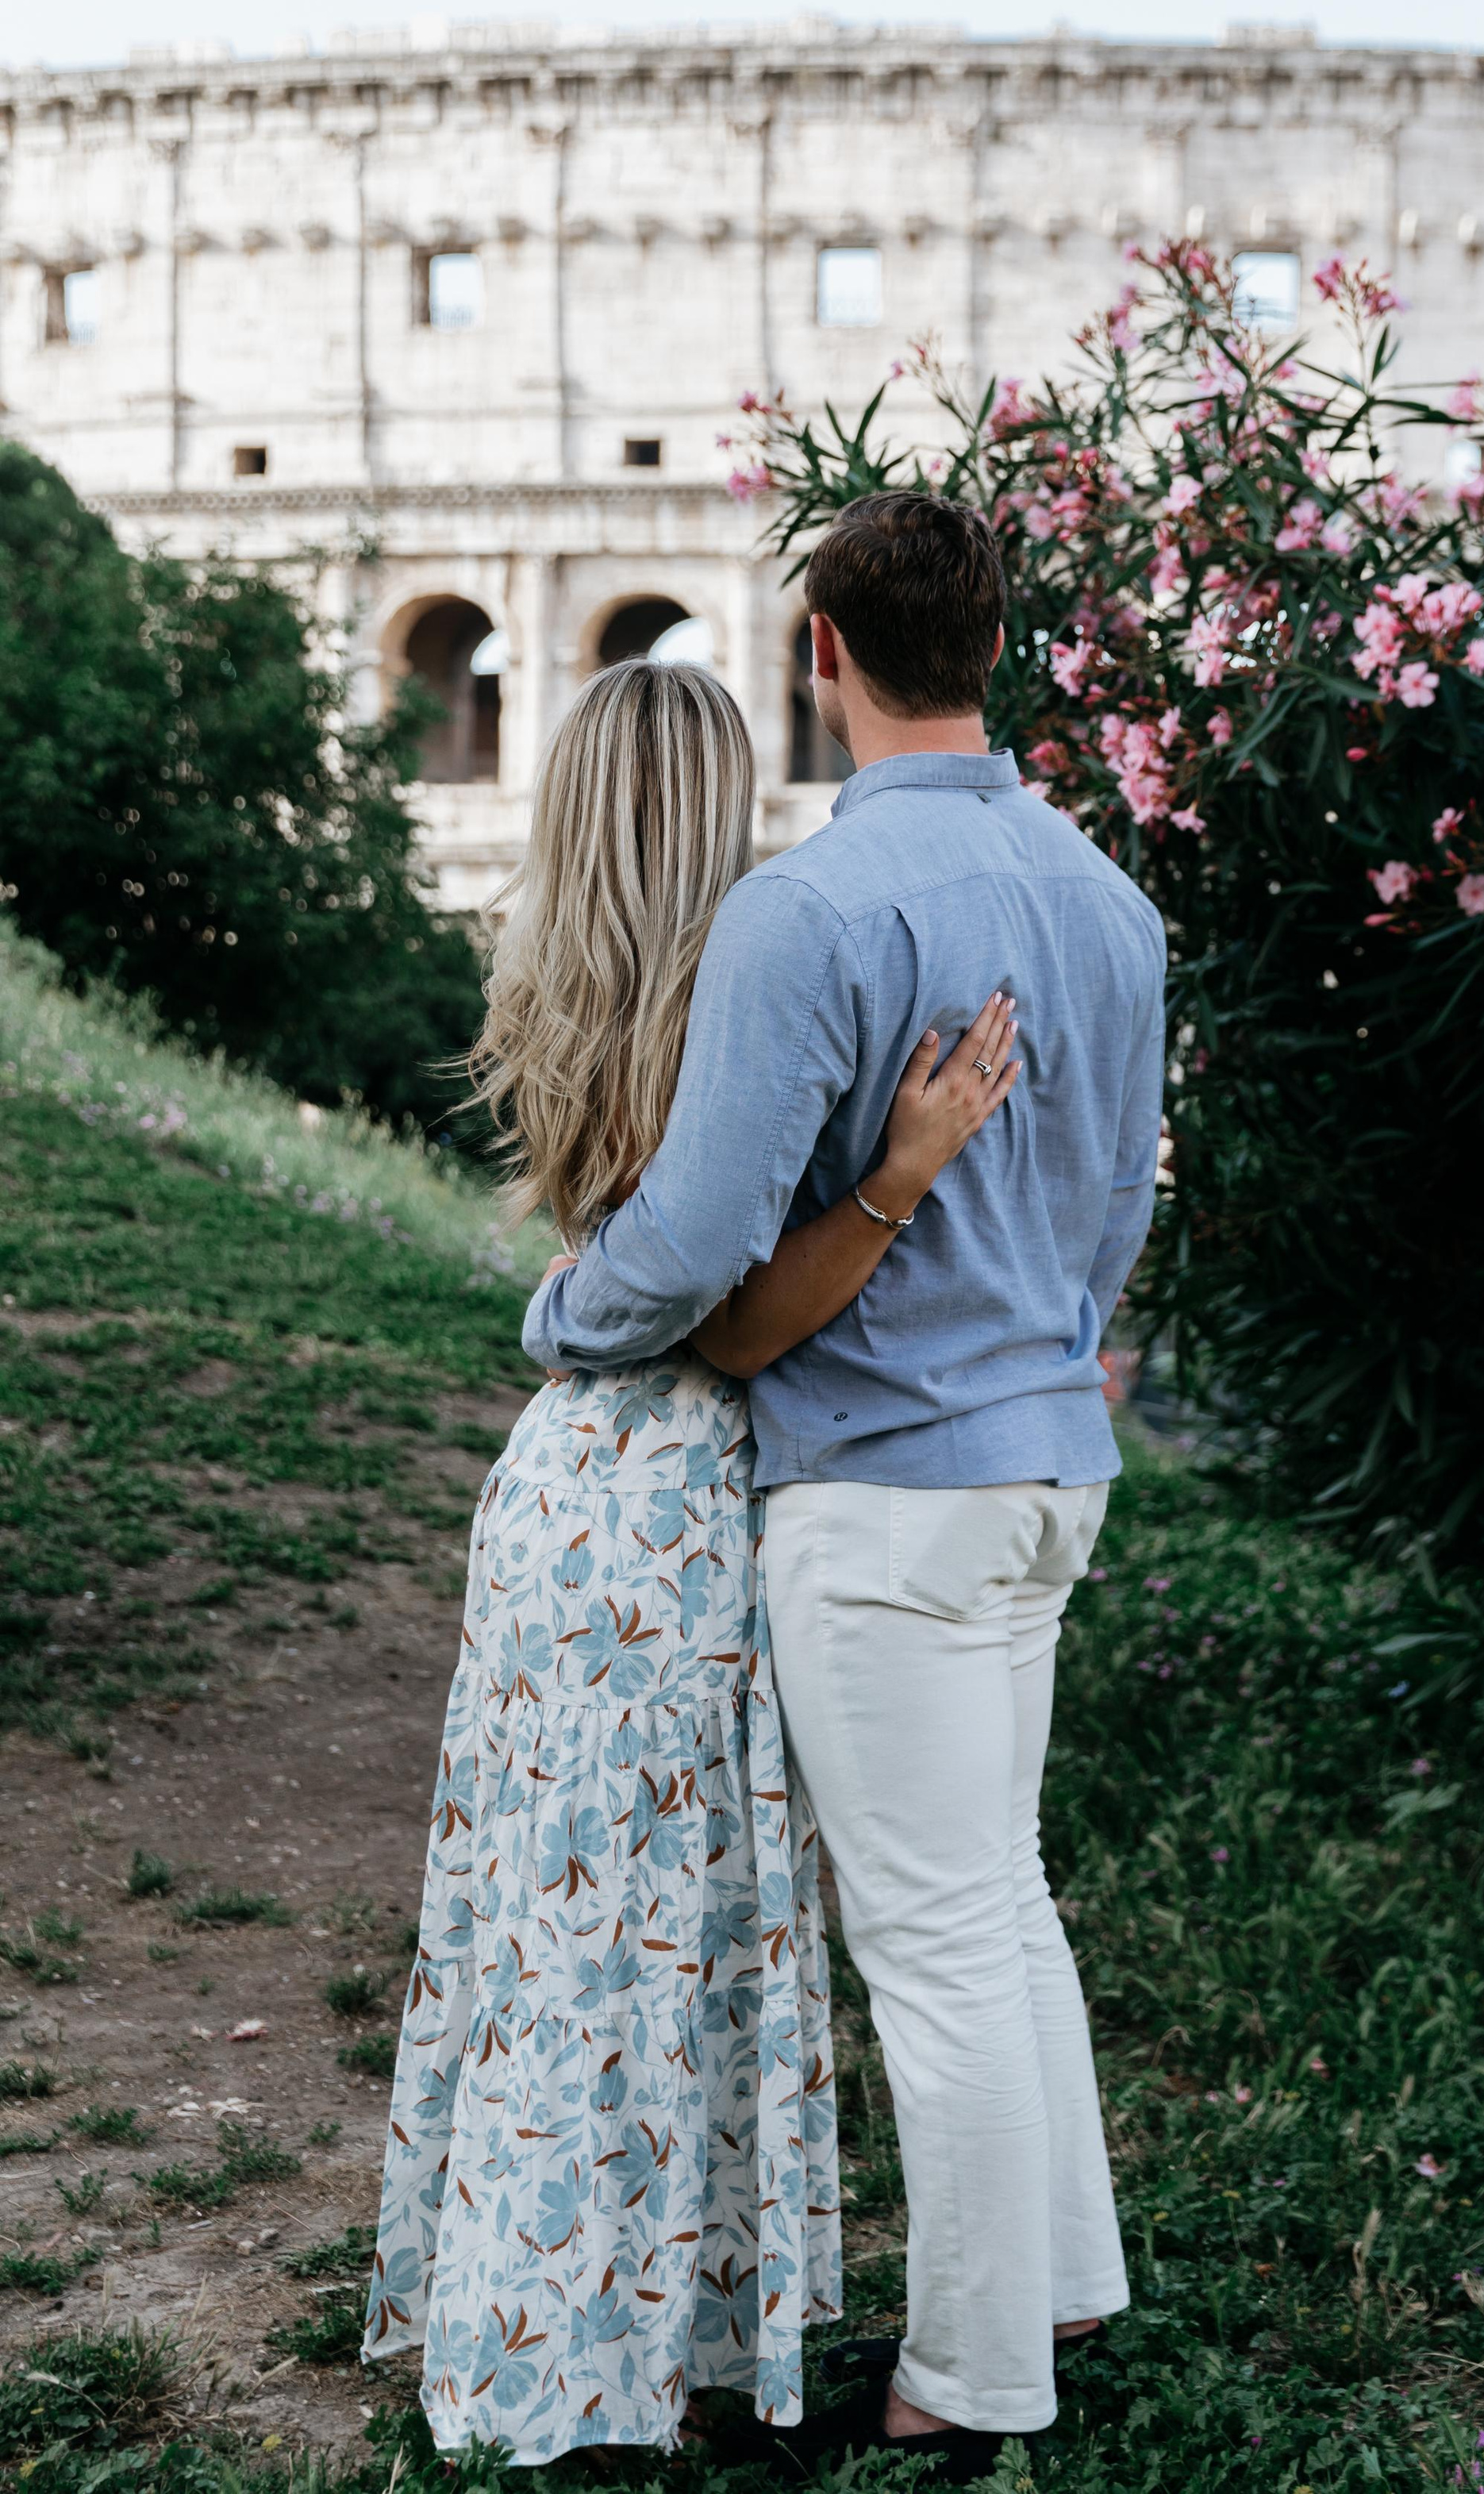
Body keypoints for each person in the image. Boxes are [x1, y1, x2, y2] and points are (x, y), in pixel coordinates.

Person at [526, 493, 1168, 2486]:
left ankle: (965, 2383)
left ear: (821, 648)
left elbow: (700, 1232)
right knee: (1002, 1895)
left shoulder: (809, 912)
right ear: (995, 646)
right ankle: (1057, 2282)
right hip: (1047, 1460)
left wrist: (566, 1314)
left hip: (882, 1484)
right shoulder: (1106, 899)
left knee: (937, 1940)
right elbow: (1124, 1203)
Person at [362, 655, 1021, 2465]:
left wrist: (559, 1309)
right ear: (723, 803)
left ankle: (540, 2328)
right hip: (701, 1489)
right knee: (694, 1932)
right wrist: (900, 1169)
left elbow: (620, 1260)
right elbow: (712, 1292)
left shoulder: (553, 988)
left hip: (565, 1493)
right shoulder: (772, 980)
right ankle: (653, 2357)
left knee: (554, 1929)